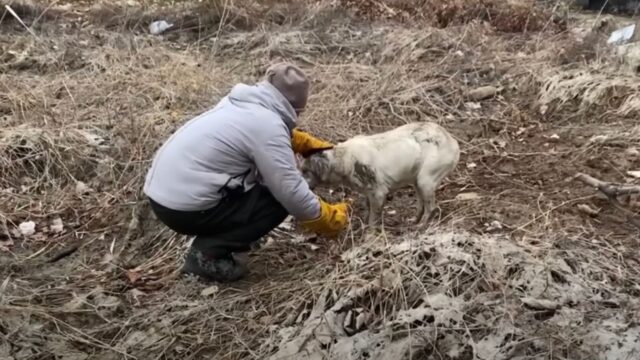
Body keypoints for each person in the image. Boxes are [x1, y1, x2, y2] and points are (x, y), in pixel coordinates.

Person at [143, 62, 349, 282]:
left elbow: (249, 133)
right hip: (184, 209)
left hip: (164, 196)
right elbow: (291, 192)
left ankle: (228, 235)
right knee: (276, 201)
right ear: (295, 107)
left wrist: (294, 140)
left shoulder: (236, 103)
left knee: (261, 189)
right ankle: (207, 255)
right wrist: (328, 218)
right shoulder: (267, 126)